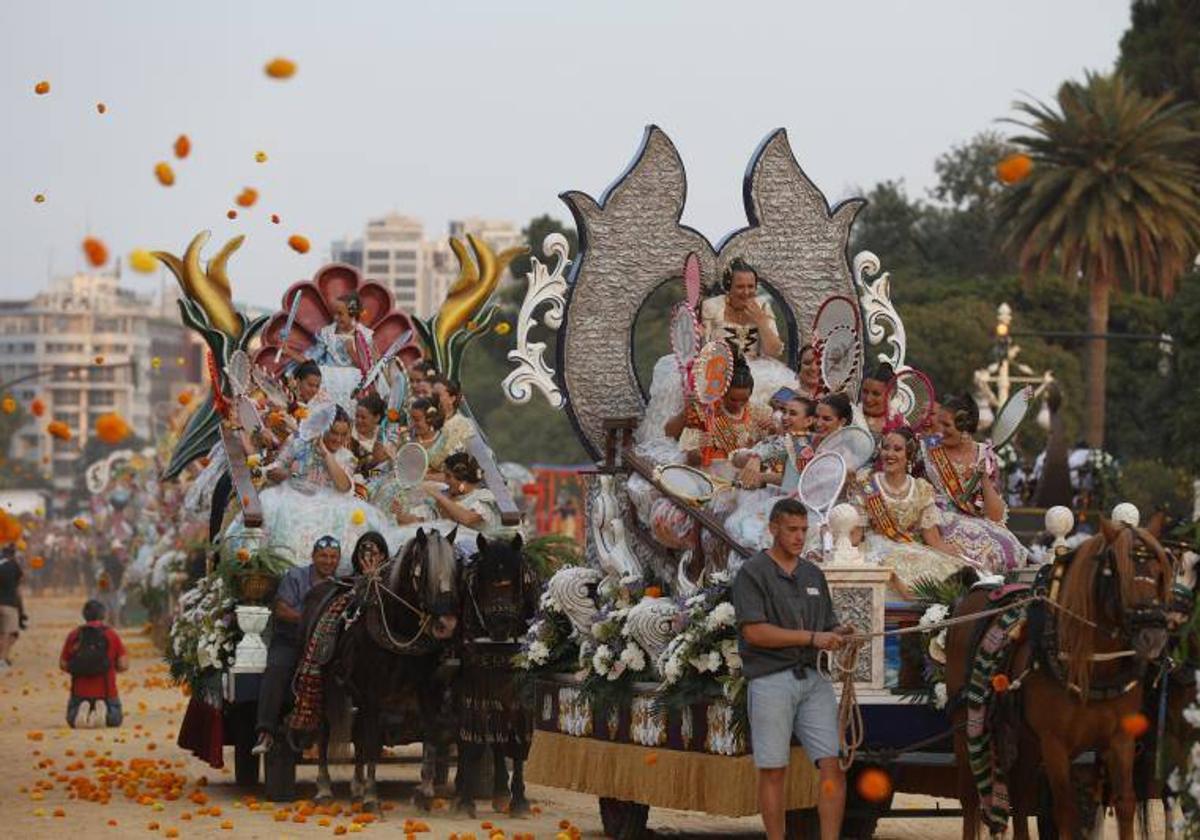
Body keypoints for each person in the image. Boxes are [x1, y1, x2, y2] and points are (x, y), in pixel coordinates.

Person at [731, 499, 852, 840]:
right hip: (771, 680)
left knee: (833, 766)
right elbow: (754, 632)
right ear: (773, 529)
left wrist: (840, 633)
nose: (800, 537)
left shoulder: (813, 573)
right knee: (774, 771)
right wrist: (813, 637)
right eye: (792, 530)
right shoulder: (752, 573)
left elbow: (828, 623)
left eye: (804, 530)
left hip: (813, 680)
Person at [850, 427, 970, 596]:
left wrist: (960, 557)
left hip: (908, 547)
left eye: (897, 449)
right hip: (875, 549)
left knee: (948, 571)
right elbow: (855, 535)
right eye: (886, 448)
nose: (889, 454)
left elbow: (933, 538)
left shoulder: (921, 489)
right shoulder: (866, 485)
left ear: (909, 455)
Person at [252, 536, 341, 755]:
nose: (328, 561)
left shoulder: (342, 583)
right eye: (323, 556)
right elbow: (282, 609)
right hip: (292, 640)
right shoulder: (296, 577)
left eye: (333, 557)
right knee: (276, 669)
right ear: (313, 557)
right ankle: (266, 732)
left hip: (327, 645)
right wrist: (312, 621)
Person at [922, 395, 1028, 572]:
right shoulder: (927, 448)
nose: (939, 430)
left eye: (947, 425)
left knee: (1007, 545)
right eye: (939, 422)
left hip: (979, 522)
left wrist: (984, 477)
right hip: (937, 522)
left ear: (964, 428)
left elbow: (996, 516)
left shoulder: (984, 455)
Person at [665, 360, 771, 467]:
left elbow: (773, 445)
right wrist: (687, 410)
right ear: (722, 392)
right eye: (733, 400)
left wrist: (773, 429)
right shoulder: (707, 409)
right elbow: (669, 432)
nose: (738, 405)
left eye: (744, 400)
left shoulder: (759, 412)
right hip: (707, 472)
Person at [60, 599, 128, 728]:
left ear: (84, 615)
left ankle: (83, 710)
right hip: (107, 692)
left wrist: (77, 668)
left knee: (71, 718)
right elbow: (123, 665)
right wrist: (112, 668)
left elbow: (63, 664)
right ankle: (102, 712)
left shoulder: (74, 635)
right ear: (103, 615)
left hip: (79, 693)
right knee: (115, 719)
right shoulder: (111, 635)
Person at [701, 258, 783, 359]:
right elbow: (703, 349)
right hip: (719, 369)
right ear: (728, 288)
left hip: (757, 371)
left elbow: (774, 352)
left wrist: (761, 321)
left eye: (751, 286)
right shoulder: (711, 307)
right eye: (740, 287)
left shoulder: (763, 307)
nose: (746, 292)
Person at [420, 452, 504, 537]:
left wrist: (439, 497)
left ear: (462, 479)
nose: (445, 480)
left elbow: (466, 518)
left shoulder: (483, 496)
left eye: (448, 476)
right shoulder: (446, 493)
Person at [0, 545, 27, 667]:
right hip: (8, 604)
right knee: (11, 633)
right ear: (13, 554)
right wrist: (22, 611)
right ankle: (2, 659)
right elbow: (18, 589)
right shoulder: (14, 566)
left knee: (2, 633)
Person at [859, 363, 894, 439]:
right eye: (865, 391)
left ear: (890, 392)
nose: (868, 399)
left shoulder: (899, 423)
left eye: (876, 394)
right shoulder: (849, 416)